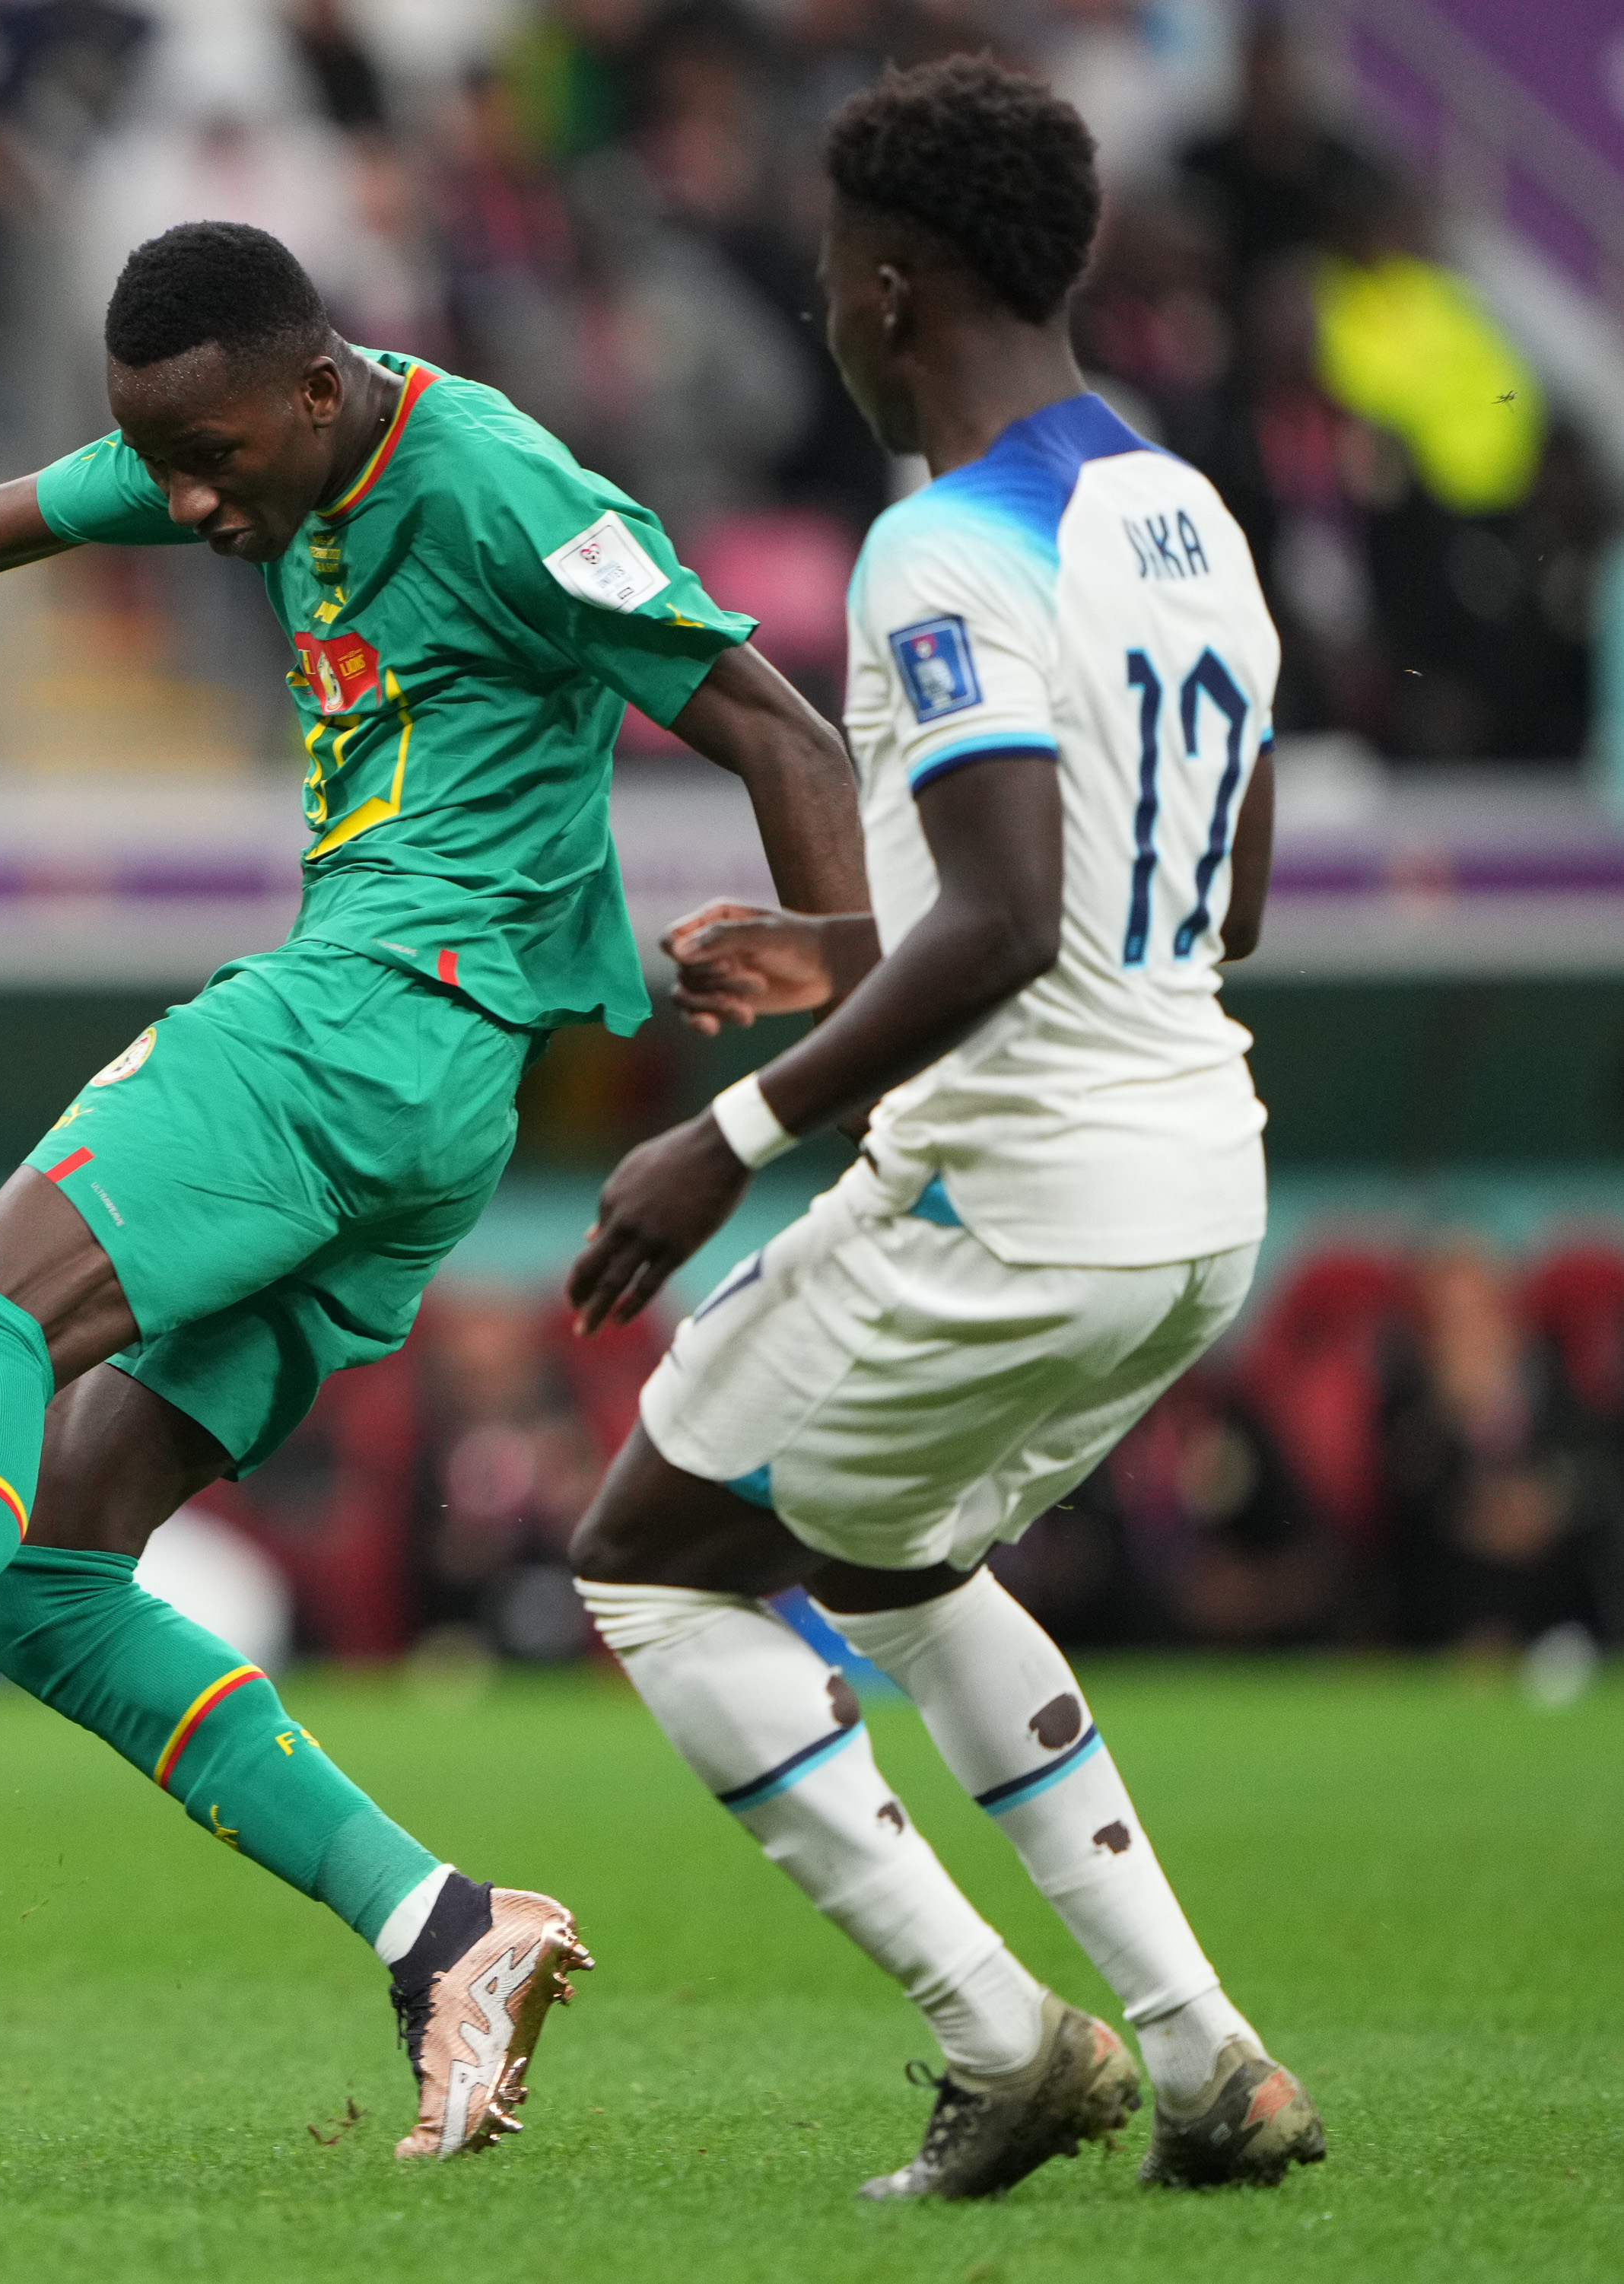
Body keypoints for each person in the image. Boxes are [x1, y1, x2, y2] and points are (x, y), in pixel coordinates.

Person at [0, 218, 869, 2158]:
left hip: (369, 1020)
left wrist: (843, 1005)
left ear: (316, 391)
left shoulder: (495, 479)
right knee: (56, 1577)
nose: (187, 502)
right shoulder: (239, 440)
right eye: (160, 462)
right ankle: (447, 1928)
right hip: (424, 1100)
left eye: (216, 461)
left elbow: (777, 724)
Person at [558, 57, 1325, 2203]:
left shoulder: (929, 548)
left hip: (1015, 1191)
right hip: (1197, 1185)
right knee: (887, 1559)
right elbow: (1208, 893)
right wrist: (841, 940)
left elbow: (998, 913)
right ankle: (1205, 2061)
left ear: (888, 289)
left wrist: (726, 1131)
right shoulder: (1186, 514)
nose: (821, 313)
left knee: (643, 1560)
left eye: (825, 278)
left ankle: (1007, 2040)